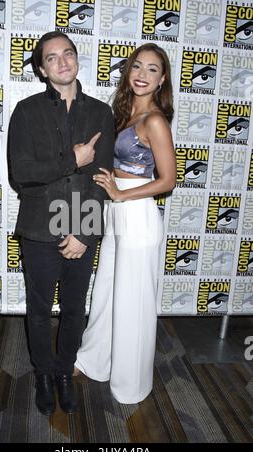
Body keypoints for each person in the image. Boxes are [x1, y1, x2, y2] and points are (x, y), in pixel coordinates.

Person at [8, 31, 114, 415]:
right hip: (39, 225)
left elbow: (102, 178)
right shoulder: (26, 110)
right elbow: (21, 174)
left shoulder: (101, 112)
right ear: (42, 68)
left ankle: (64, 371)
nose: (62, 61)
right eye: (52, 58)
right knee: (38, 309)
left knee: (73, 308)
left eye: (67, 53)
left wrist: (84, 232)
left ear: (76, 59)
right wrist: (72, 159)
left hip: (81, 223)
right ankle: (42, 373)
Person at [75, 43, 176, 404]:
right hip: (119, 216)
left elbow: (168, 180)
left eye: (152, 69)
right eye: (137, 66)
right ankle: (94, 361)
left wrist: (120, 194)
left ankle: (131, 385)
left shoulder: (155, 121)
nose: (142, 75)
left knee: (133, 303)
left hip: (137, 215)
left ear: (162, 79)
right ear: (128, 71)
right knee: (106, 293)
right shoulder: (122, 115)